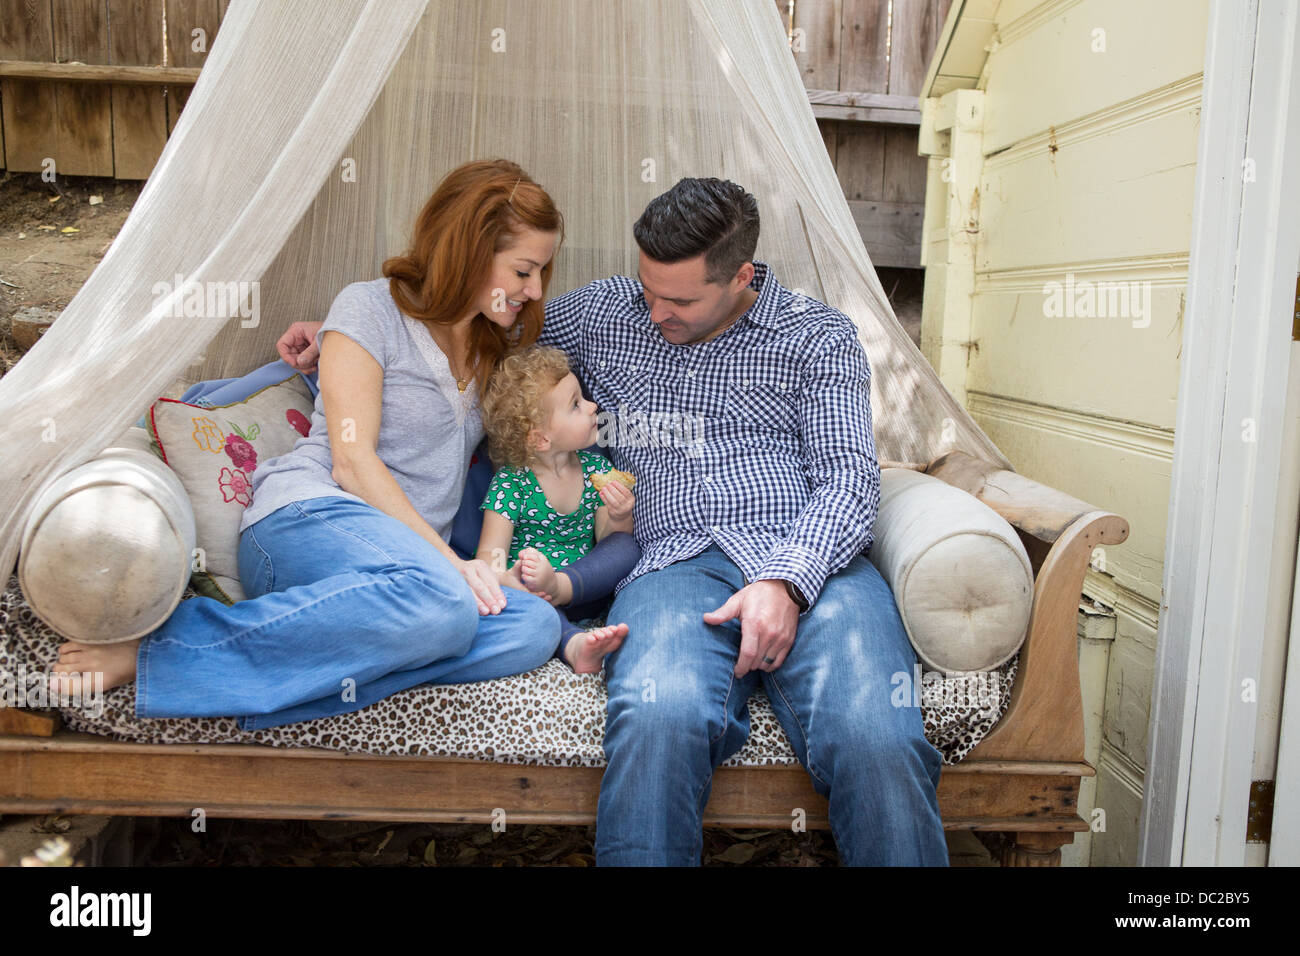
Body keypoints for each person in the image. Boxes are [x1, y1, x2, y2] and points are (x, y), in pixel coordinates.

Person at [275, 177, 948, 866]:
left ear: (741, 276)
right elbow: (472, 323)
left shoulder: (818, 338)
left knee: (876, 738)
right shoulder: (604, 314)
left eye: (679, 300)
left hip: (812, 564)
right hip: (671, 568)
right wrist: (331, 336)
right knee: (660, 719)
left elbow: (849, 480)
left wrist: (786, 580)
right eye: (647, 289)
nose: (655, 311)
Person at [49, 159, 577, 731]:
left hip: (403, 578)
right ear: (471, 251)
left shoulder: (491, 343)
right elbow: (352, 462)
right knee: (445, 606)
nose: (536, 289)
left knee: (532, 628)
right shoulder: (369, 309)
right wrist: (453, 565)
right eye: (524, 270)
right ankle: (163, 653)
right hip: (311, 517)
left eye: (541, 272)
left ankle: (306, 676)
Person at [476, 345, 640, 673]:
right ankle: (575, 645)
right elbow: (488, 560)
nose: (593, 406)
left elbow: (609, 539)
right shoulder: (512, 483)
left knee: (627, 546)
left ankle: (565, 596)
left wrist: (619, 515)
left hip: (584, 587)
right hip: (537, 595)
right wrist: (508, 578)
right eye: (576, 405)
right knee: (533, 605)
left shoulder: (595, 467)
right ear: (541, 440)